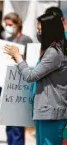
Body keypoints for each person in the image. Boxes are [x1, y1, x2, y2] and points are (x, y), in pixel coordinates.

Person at [4, 12, 67, 145]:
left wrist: (19, 57)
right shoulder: (53, 50)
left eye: (40, 30)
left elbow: (30, 76)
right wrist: (21, 60)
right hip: (46, 111)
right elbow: (39, 72)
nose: (38, 34)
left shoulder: (54, 52)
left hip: (51, 112)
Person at [3, 12, 33, 145]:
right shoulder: (8, 40)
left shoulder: (26, 40)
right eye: (6, 25)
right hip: (8, 85)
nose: (7, 27)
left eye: (10, 24)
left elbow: (31, 60)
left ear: (17, 24)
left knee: (17, 124)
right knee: (8, 123)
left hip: (21, 86)